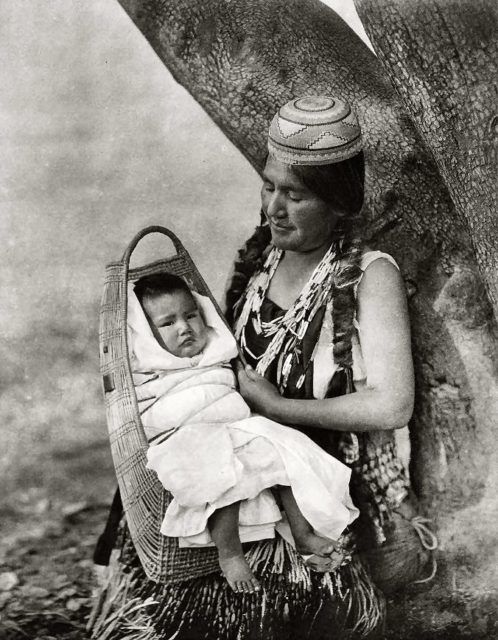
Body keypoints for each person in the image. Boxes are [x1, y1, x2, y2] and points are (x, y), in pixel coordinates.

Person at [90, 95, 430, 640]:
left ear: (339, 201)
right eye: (269, 186)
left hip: (309, 465)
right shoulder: (263, 256)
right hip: (233, 444)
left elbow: (394, 403)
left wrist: (278, 407)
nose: (273, 208)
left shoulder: (369, 273)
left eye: (295, 195)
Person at [128, 271, 359, 594]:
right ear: (146, 335)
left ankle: (303, 533)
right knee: (223, 474)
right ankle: (231, 553)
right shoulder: (147, 368)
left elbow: (231, 386)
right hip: (190, 437)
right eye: (167, 323)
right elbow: (150, 413)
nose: (184, 328)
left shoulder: (216, 351)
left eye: (191, 316)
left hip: (236, 425)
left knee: (285, 452)